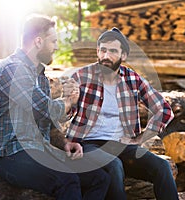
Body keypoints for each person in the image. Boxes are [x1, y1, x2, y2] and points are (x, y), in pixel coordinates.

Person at [0, 14, 110, 200]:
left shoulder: (39, 76)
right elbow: (44, 109)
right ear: (39, 41)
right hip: (7, 154)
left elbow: (45, 121)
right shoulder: (13, 68)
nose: (56, 46)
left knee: (99, 179)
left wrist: (65, 144)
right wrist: (68, 101)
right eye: (54, 41)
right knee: (67, 180)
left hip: (35, 151)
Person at [66, 27, 179, 200]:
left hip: (123, 145)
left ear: (123, 56)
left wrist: (140, 139)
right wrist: (69, 102)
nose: (106, 56)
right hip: (88, 144)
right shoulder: (82, 76)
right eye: (102, 50)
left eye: (112, 51)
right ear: (97, 51)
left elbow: (163, 109)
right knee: (114, 165)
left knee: (162, 166)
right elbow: (64, 114)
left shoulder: (132, 79)